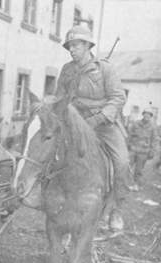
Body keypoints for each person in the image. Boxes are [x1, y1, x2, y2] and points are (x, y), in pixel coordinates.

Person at [55, 25, 129, 230]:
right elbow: (59, 97)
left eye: (76, 45)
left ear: (88, 46)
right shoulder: (67, 70)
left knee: (122, 162)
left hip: (103, 124)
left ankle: (116, 209)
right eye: (69, 46)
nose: (72, 49)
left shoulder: (105, 68)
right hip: (74, 122)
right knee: (50, 150)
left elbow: (117, 98)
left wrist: (98, 119)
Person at [128, 107, 158, 190]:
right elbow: (129, 135)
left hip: (143, 152)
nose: (147, 116)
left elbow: (154, 140)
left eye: (149, 115)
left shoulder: (153, 127)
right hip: (133, 150)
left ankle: (136, 185)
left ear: (151, 116)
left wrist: (152, 151)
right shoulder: (136, 123)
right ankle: (124, 183)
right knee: (126, 167)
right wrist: (128, 145)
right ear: (143, 114)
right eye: (145, 114)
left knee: (138, 170)